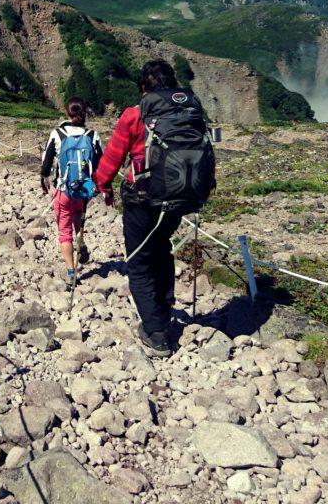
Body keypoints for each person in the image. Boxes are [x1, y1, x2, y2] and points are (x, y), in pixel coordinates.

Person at [94, 59, 216, 356]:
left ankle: (157, 331)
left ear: (144, 87)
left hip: (142, 200)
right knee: (161, 247)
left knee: (138, 262)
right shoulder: (190, 112)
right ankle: (164, 302)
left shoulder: (135, 115)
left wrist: (103, 185)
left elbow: (111, 159)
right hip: (179, 199)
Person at [40, 97, 103, 290]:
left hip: (63, 190)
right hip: (84, 190)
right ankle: (81, 241)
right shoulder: (93, 135)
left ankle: (71, 272)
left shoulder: (57, 133)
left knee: (64, 231)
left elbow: (46, 163)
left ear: (67, 113)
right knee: (79, 217)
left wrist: (44, 180)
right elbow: (101, 161)